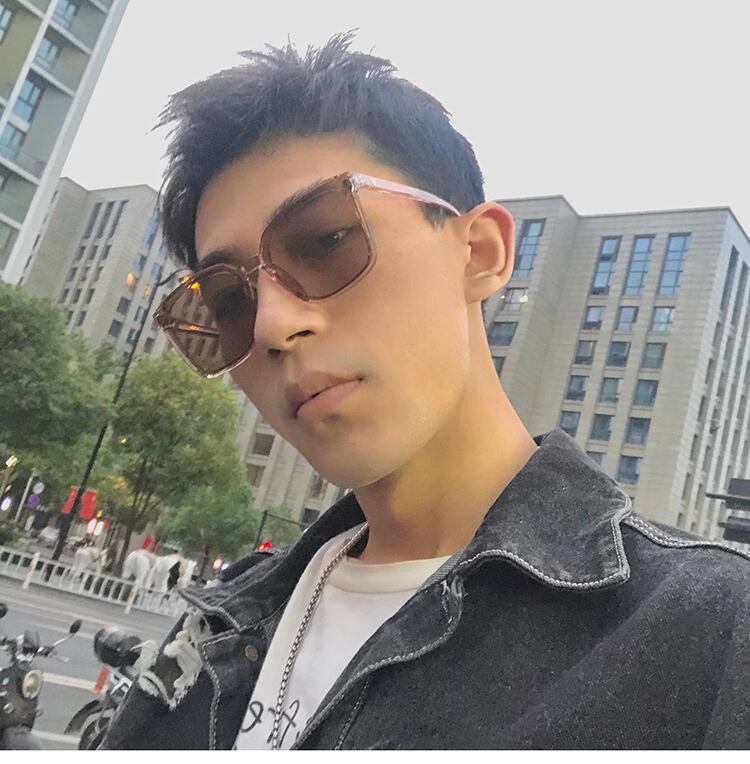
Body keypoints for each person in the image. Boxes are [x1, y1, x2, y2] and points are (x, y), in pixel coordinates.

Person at [102, 32, 750, 750]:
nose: (275, 326)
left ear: (480, 253)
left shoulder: (711, 635)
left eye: (325, 242)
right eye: (229, 303)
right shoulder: (213, 632)